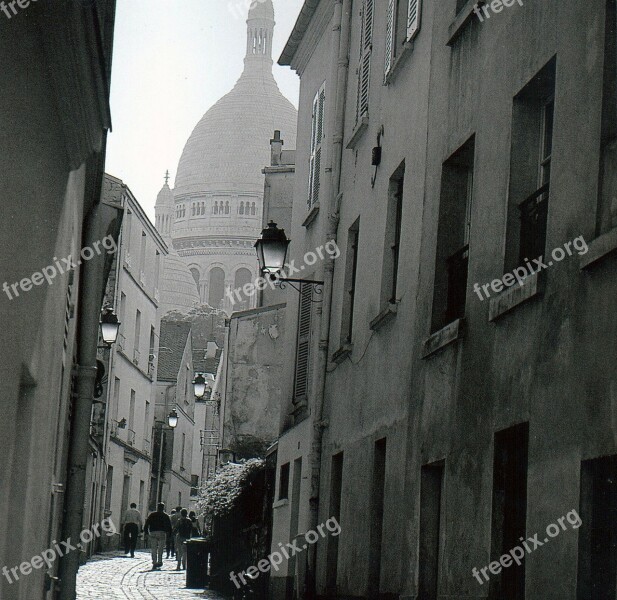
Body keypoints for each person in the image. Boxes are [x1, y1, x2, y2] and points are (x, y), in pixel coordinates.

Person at [143, 503, 172, 570]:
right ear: (163, 508)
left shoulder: (152, 515)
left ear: (157, 507)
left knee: (153, 548)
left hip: (153, 532)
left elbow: (147, 524)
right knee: (160, 549)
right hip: (162, 533)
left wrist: (146, 533)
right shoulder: (165, 516)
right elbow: (169, 527)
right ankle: (160, 561)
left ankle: (154, 562)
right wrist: (169, 535)